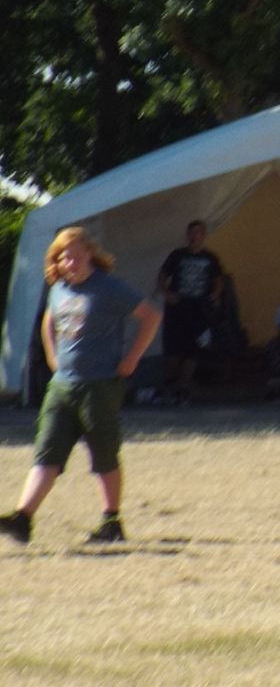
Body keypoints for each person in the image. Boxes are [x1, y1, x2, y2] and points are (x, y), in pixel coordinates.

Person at [1, 228, 162, 546]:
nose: (70, 262)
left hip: (99, 384)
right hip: (63, 385)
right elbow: (49, 321)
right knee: (47, 450)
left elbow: (150, 316)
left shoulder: (109, 287)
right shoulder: (58, 288)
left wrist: (131, 358)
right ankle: (23, 518)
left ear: (90, 254)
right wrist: (52, 355)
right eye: (64, 257)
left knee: (104, 453)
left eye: (76, 256)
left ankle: (111, 520)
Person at [156, 220, 224, 404]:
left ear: (204, 235)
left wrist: (214, 296)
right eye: (191, 233)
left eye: (198, 233)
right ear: (187, 235)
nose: (194, 236)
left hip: (199, 308)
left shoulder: (210, 258)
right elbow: (162, 276)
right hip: (178, 307)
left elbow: (218, 280)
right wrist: (166, 293)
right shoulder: (177, 255)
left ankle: (184, 388)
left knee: (194, 350)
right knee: (173, 349)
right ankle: (169, 384)